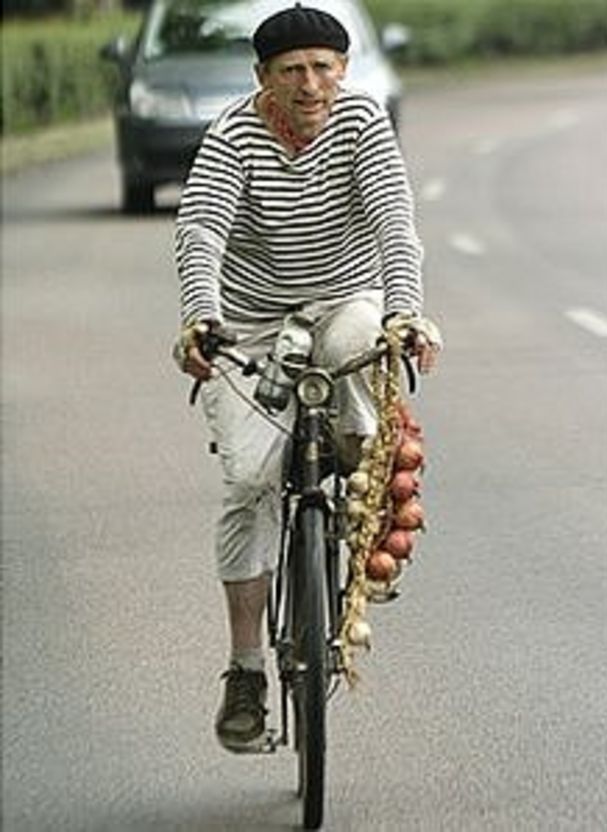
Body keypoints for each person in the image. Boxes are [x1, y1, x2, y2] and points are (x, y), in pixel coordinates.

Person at [173, 3, 442, 753]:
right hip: (251, 323)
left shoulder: (362, 121)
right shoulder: (233, 134)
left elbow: (394, 221)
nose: (310, 84)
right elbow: (200, 229)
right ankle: (246, 671)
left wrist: (406, 312)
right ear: (263, 77)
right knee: (247, 483)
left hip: (345, 300)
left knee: (360, 342)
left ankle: (362, 494)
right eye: (292, 71)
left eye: (324, 67)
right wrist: (201, 318)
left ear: (343, 70)